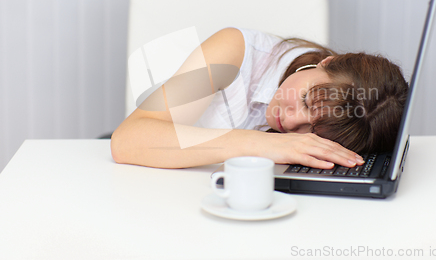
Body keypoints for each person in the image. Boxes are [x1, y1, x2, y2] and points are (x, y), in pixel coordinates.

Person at [111, 27, 408, 170]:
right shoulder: (235, 50)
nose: (289, 122)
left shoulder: (346, 117)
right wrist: (259, 143)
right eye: (305, 100)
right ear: (327, 63)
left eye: (312, 131)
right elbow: (128, 140)